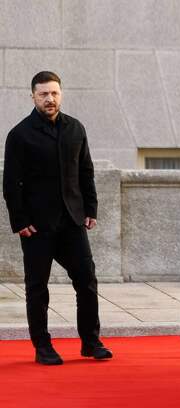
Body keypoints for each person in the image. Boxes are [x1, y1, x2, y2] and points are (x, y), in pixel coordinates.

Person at [3, 71, 112, 365]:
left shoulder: (75, 128)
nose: (49, 99)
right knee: (37, 288)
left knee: (87, 281)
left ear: (60, 94)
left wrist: (90, 209)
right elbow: (11, 183)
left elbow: (85, 171)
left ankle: (91, 342)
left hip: (72, 221)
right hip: (37, 226)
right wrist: (20, 221)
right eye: (43, 94)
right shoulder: (19, 135)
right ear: (33, 97)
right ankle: (43, 347)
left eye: (54, 93)